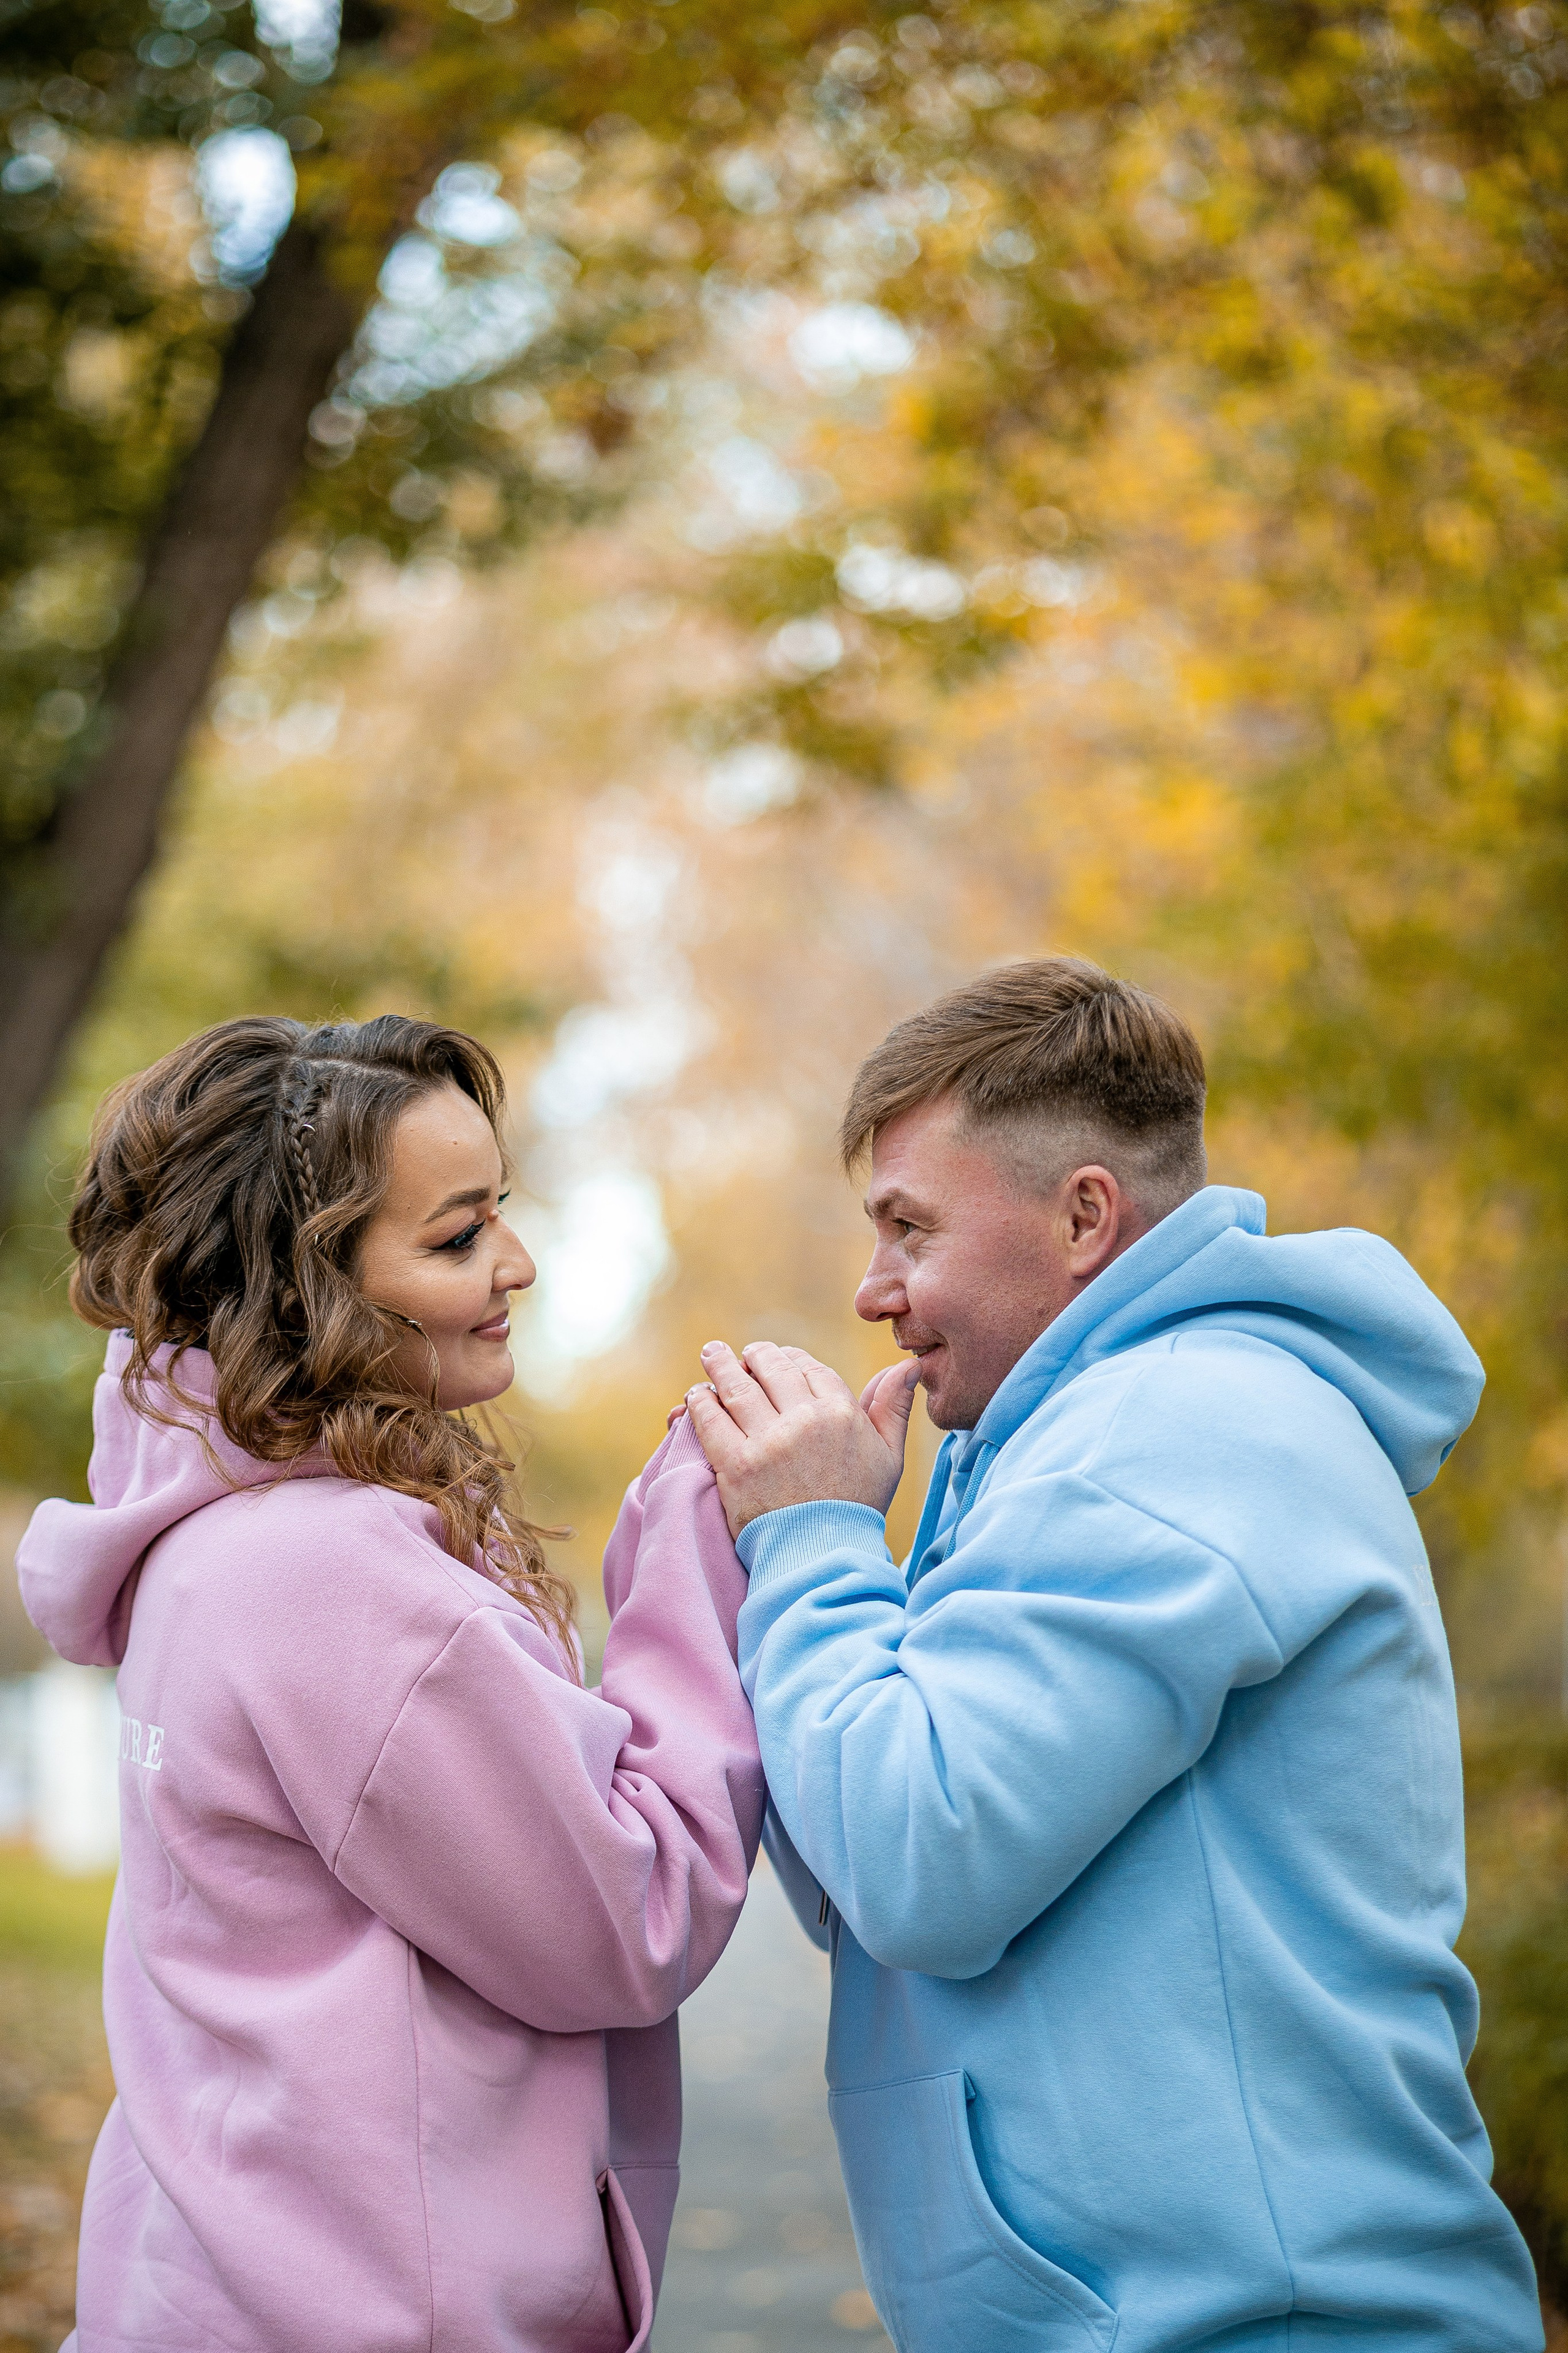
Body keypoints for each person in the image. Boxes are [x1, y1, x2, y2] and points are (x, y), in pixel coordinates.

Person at [684, 958, 1544, 2353]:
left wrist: (813, 1541)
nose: (871, 1288)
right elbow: (861, 1858)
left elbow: (917, 1856)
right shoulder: (1057, 1442)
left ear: (1084, 1215)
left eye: (909, 1227)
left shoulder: (1172, 1435)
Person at [18, 1014, 763, 2353]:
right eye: (456, 1235)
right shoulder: (333, 1580)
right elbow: (626, 1917)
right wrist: (695, 1563)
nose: (515, 1264)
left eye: (500, 1216)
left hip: (213, 2293)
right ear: (307, 1288)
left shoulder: (204, 1545)